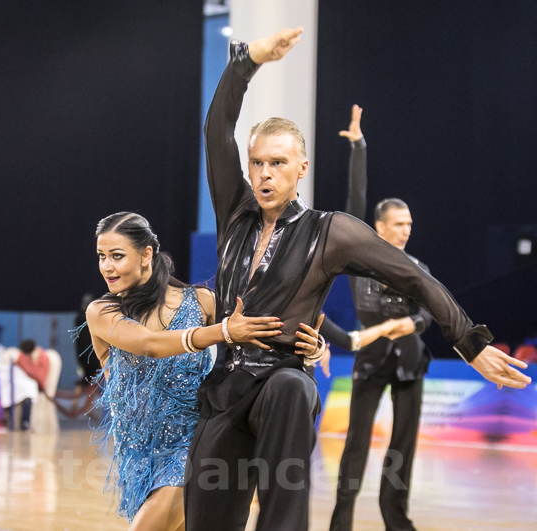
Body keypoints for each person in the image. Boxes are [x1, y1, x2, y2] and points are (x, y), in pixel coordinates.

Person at [184, 28, 530, 531]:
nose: (264, 173)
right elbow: (217, 128)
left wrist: (469, 343)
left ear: (301, 168)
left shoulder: (331, 232)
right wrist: (248, 60)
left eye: (277, 163)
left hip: (281, 381)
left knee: (291, 389)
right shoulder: (234, 210)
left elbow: (414, 279)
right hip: (223, 388)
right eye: (257, 162)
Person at [85, 212, 324, 531]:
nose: (107, 267)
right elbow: (149, 344)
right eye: (102, 256)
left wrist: (312, 347)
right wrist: (222, 331)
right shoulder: (102, 312)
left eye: (117, 256)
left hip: (195, 447)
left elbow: (256, 341)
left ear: (146, 255)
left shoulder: (201, 301)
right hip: (137, 457)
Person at [329, 105, 433, 531]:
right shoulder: (361, 259)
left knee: (402, 447)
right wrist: (359, 147)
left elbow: (431, 306)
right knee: (356, 444)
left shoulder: (418, 267)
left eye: (410, 223)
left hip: (410, 361)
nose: (407, 229)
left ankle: (396, 518)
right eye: (399, 223)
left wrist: (417, 324)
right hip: (370, 361)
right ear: (380, 226)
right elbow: (353, 206)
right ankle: (341, 522)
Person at [8, 339, 50, 430]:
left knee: (27, 395)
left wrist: (34, 362)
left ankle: (25, 422)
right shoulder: (23, 356)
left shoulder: (42, 358)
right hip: (23, 384)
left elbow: (39, 377)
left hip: (38, 387)